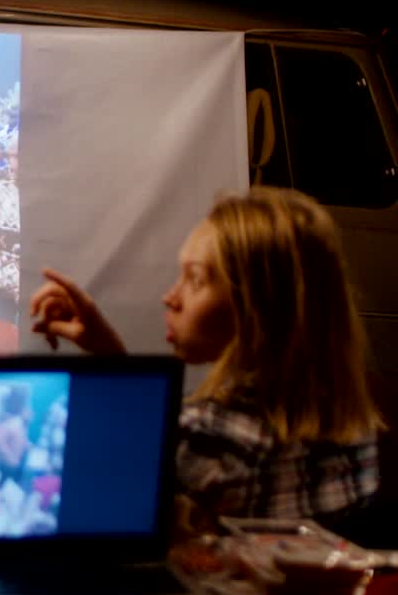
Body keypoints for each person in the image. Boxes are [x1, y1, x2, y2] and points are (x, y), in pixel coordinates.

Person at [29, 187, 382, 534]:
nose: (171, 297)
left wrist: (112, 368)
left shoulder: (206, 440)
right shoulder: (357, 429)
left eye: (194, 279)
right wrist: (112, 356)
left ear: (257, 306)